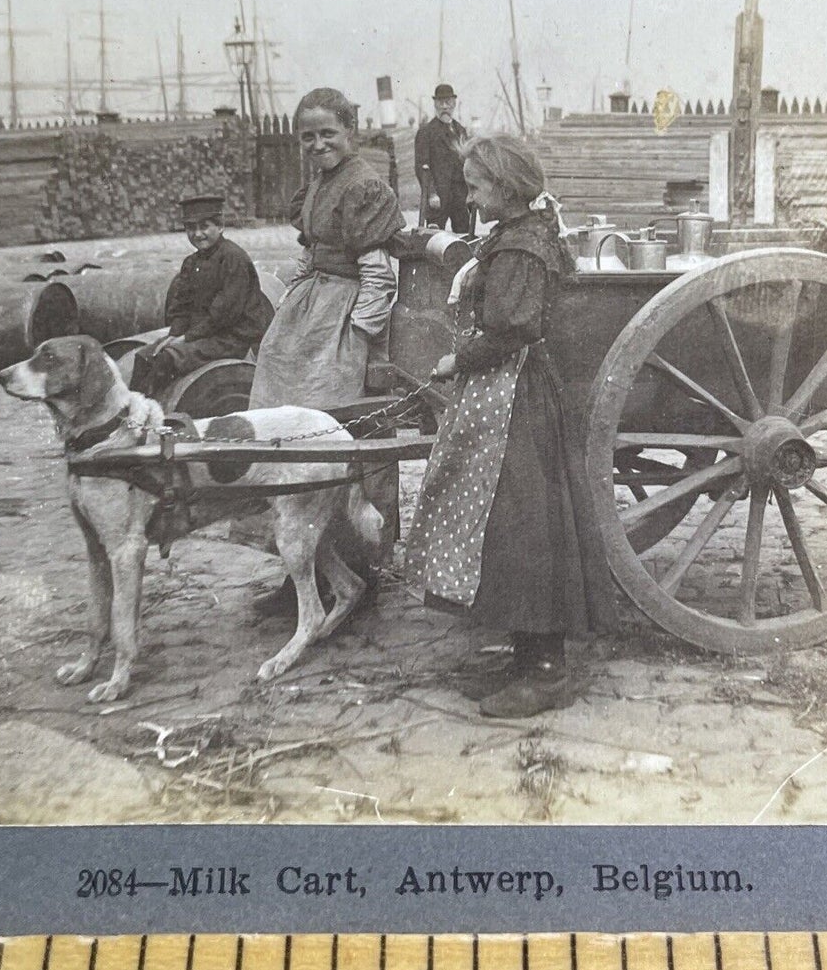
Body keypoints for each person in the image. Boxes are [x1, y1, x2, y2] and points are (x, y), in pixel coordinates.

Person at [405, 135, 615, 719]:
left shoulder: (523, 249)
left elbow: (513, 329)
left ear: (507, 187)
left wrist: (455, 360)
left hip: (516, 399)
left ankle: (547, 670)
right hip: (504, 395)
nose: (468, 198)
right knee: (500, 527)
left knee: (524, 528)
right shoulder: (514, 236)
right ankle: (524, 656)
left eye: (475, 187)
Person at [249, 87, 406, 410]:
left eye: (328, 133)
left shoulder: (363, 187)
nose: (318, 144)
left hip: (344, 309)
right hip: (311, 302)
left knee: (320, 385)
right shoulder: (320, 184)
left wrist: (359, 332)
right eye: (308, 136)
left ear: (350, 131)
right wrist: (289, 301)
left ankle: (317, 447)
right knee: (274, 354)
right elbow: (310, 253)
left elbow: (378, 275)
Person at [130, 193, 275, 401]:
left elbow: (224, 313)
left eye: (204, 226)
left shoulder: (233, 258)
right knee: (144, 356)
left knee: (167, 359)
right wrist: (174, 334)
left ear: (220, 226)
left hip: (233, 337)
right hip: (205, 335)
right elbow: (181, 305)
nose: (197, 234)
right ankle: (132, 410)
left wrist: (186, 339)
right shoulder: (191, 263)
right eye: (191, 228)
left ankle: (148, 411)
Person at [414, 83, 473, 232]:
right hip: (439, 197)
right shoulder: (426, 132)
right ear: (435, 105)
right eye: (441, 103)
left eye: (448, 102)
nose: (445, 107)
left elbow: (468, 164)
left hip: (460, 195)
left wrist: (471, 193)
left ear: (454, 104)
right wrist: (432, 193)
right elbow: (422, 166)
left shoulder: (461, 131)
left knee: (463, 236)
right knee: (435, 238)